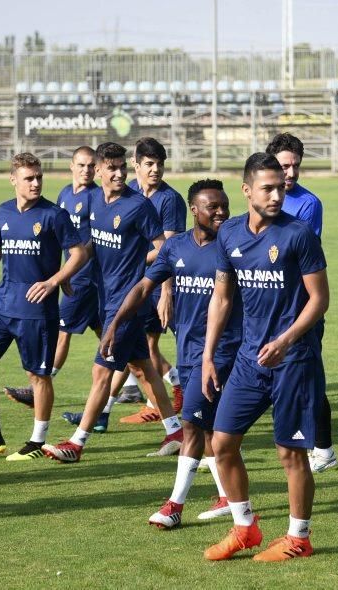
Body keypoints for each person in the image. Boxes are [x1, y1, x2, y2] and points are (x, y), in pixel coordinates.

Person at [201, 153, 329, 561]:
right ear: (246, 191)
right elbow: (221, 297)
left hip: (293, 361)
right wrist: (207, 357)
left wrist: (287, 340)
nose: (278, 194)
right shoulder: (230, 234)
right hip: (247, 360)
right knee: (222, 444)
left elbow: (320, 299)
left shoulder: (298, 234)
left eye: (280, 186)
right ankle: (245, 528)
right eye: (268, 188)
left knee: (289, 452)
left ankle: (298, 538)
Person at [95, 179, 242, 527]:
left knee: (190, 425)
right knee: (210, 432)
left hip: (222, 353)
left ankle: (174, 506)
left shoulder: (234, 247)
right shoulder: (175, 248)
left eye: (224, 205)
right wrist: (115, 324)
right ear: (194, 209)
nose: (221, 211)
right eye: (213, 206)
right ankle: (231, 500)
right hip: (187, 352)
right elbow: (144, 285)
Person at [43, 142, 183, 463]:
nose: (119, 173)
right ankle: (176, 432)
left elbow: (165, 249)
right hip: (105, 298)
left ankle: (76, 444)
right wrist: (67, 272)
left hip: (129, 303)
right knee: (144, 370)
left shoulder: (138, 207)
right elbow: (92, 244)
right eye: (112, 168)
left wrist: (160, 288)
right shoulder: (93, 199)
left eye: (122, 167)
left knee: (101, 374)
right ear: (100, 170)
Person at [0, 153, 87, 461]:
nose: (36, 182)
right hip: (2, 306)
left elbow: (79, 254)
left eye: (39, 176)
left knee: (38, 377)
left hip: (37, 312)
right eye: (29, 178)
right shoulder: (3, 211)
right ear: (13, 179)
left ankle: (37, 442)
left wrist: (55, 281)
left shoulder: (54, 215)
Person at [2, 146, 105, 413]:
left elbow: (94, 240)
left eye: (91, 166)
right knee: (106, 334)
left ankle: (40, 387)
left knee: (61, 331)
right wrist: (62, 274)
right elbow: (59, 238)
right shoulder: (64, 195)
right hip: (70, 276)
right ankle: (133, 383)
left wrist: (68, 274)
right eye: (81, 165)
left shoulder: (96, 196)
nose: (87, 170)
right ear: (71, 166)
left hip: (86, 277)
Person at [266, 132, 337, 473]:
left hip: (301, 303)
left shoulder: (308, 204)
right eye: (284, 166)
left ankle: (323, 448)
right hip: (270, 301)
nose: (291, 173)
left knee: (307, 375)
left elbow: (294, 253)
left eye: (295, 165)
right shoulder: (263, 199)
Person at [117, 137, 187, 423]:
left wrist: (167, 292)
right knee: (143, 344)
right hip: (136, 281)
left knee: (162, 342)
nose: (155, 169)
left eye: (159, 164)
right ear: (136, 165)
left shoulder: (169, 200)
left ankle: (181, 392)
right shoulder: (130, 190)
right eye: (149, 164)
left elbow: (167, 250)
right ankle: (161, 396)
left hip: (161, 284)